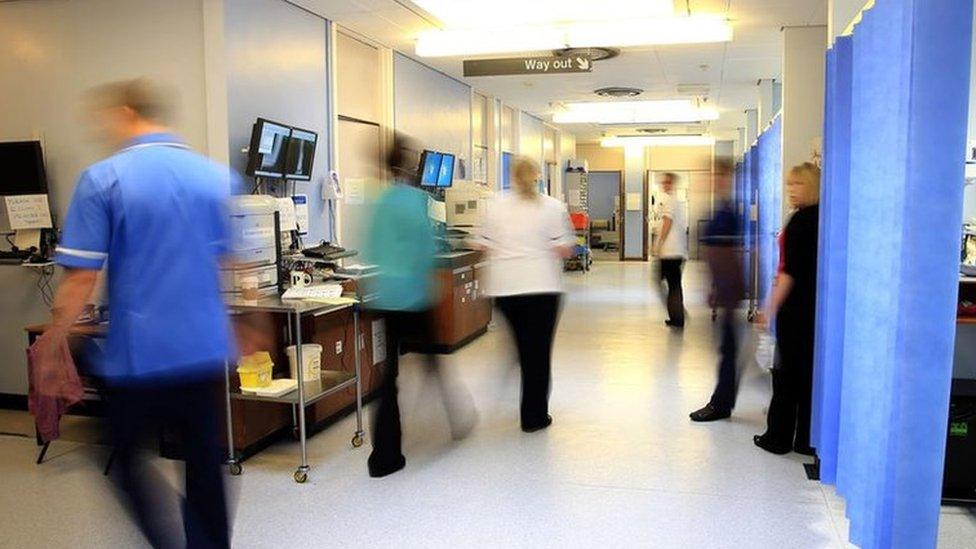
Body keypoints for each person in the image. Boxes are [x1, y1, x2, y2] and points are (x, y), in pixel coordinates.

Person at [34, 79, 238, 548]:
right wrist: (252, 328)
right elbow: (233, 264)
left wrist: (53, 343)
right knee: (204, 463)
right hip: (204, 350)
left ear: (127, 113)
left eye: (107, 117)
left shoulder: (105, 177)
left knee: (125, 460)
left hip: (140, 357)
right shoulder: (213, 177)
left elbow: (80, 277)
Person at [364, 133, 475, 478]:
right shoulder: (415, 200)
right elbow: (427, 248)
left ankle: (385, 456)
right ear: (411, 163)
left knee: (386, 379)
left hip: (384, 296)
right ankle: (457, 420)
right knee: (433, 361)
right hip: (413, 296)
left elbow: (370, 248)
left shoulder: (378, 201)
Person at [481, 157, 575, 432]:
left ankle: (519, 364)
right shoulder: (552, 206)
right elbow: (566, 249)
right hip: (542, 288)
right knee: (538, 353)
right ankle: (534, 417)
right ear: (537, 176)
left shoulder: (495, 204)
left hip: (506, 290)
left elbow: (482, 243)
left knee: (525, 348)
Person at [754, 163, 821, 455]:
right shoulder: (823, 218)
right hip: (815, 306)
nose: (791, 190)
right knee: (807, 374)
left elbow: (788, 274)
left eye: (798, 184)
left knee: (785, 375)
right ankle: (806, 438)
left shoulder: (799, 222)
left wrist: (768, 309)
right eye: (789, 185)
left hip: (795, 309)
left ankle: (777, 437)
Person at [690, 159, 745, 422]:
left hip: (729, 290)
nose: (712, 181)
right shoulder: (720, 210)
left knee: (728, 347)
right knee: (727, 346)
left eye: (717, 176)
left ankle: (721, 403)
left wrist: (723, 289)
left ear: (726, 178)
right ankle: (723, 400)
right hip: (723, 288)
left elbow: (729, 255)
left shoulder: (728, 212)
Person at [653, 172, 688, 328]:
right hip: (676, 251)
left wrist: (659, 243)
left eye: (667, 182)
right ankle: (677, 314)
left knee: (666, 283)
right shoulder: (677, 202)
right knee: (673, 285)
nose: (664, 185)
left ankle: (678, 315)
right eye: (664, 182)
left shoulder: (670, 201)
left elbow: (667, 222)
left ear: (672, 184)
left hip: (670, 252)